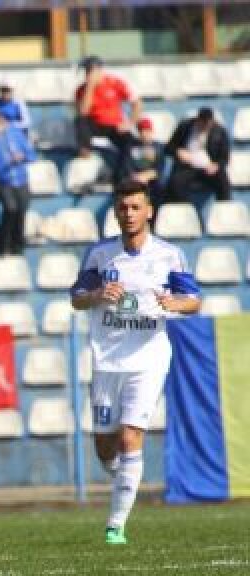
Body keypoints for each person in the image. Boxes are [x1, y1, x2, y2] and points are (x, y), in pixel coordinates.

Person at [69, 179, 200, 545]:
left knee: (131, 436)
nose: (129, 214)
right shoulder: (100, 255)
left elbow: (193, 299)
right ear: (115, 211)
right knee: (105, 446)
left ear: (149, 211)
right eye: (123, 208)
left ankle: (116, 525)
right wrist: (96, 294)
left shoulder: (168, 255)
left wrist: (177, 304)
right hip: (107, 359)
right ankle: (122, 477)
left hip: (149, 357)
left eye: (135, 207)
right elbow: (76, 298)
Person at [0, 103, 36, 256]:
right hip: (3, 180)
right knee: (10, 208)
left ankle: (17, 246)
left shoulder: (13, 131)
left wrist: (21, 156)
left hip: (20, 179)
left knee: (21, 211)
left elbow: (30, 154)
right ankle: (3, 242)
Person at [75, 56, 140, 177]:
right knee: (80, 120)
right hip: (94, 126)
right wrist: (90, 87)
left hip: (114, 126)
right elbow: (83, 111)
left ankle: (122, 177)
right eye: (86, 71)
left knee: (129, 142)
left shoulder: (115, 83)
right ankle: (85, 150)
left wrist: (130, 122)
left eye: (90, 70)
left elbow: (136, 102)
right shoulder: (81, 90)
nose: (88, 74)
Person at [164, 108, 231, 206]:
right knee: (176, 181)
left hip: (208, 168)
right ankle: (184, 209)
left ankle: (224, 209)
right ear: (197, 120)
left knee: (223, 180)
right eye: (202, 123)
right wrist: (178, 152)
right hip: (187, 167)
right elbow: (168, 148)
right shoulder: (184, 127)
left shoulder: (220, 132)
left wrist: (216, 165)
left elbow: (224, 157)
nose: (204, 126)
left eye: (207, 124)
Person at [130, 117, 164, 190]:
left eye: (147, 131)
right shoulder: (131, 147)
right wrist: (136, 176)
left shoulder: (160, 148)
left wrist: (147, 176)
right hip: (135, 183)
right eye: (141, 131)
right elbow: (127, 166)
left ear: (152, 131)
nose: (144, 134)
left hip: (154, 184)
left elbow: (161, 168)